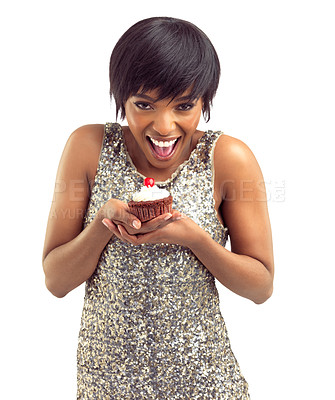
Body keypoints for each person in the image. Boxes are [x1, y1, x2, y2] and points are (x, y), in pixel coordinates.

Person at [42, 16, 274, 399]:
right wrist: (102, 224)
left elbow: (261, 286)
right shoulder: (88, 147)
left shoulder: (229, 159)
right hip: (107, 385)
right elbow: (56, 281)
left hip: (205, 384)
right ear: (122, 99)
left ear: (205, 101)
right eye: (144, 104)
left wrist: (196, 240)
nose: (164, 126)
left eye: (184, 105)